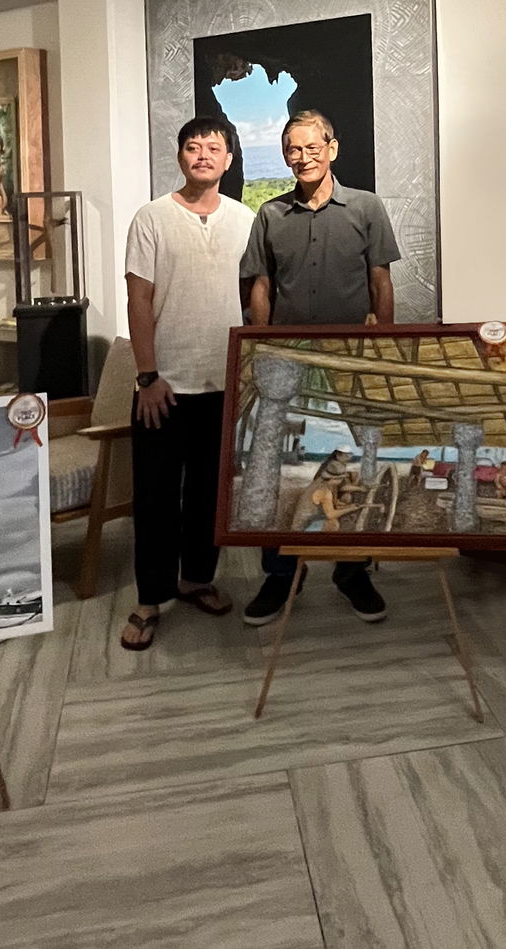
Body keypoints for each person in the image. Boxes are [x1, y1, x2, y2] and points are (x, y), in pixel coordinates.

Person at [239, 108, 401, 626]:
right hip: (287, 363)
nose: (302, 158)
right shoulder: (270, 215)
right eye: (292, 149)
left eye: (312, 147)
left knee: (351, 464)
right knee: (279, 466)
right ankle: (281, 574)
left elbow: (381, 283)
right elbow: (260, 287)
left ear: (332, 148)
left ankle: (352, 572)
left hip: (349, 362)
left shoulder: (367, 207)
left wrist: (382, 352)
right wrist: (262, 350)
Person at [118, 116, 254, 650]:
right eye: (192, 147)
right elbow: (138, 300)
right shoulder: (151, 218)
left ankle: (197, 578)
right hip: (163, 386)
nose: (202, 155)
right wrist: (147, 376)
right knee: (154, 496)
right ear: (179, 157)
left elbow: (253, 296)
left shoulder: (244, 220)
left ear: (228, 159)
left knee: (207, 491)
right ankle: (149, 597)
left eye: (213, 148)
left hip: (222, 381)